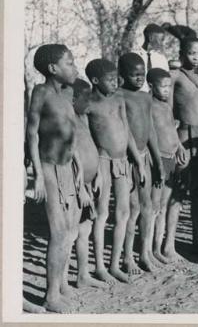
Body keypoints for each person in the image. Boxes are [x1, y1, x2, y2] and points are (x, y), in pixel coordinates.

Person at [27, 44, 84, 312]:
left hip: (68, 170)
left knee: (70, 232)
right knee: (59, 233)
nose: (74, 68)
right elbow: (32, 134)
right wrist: (38, 175)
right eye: (70, 63)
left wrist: (79, 172)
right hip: (49, 168)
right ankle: (50, 296)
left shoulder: (69, 93)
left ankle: (60, 284)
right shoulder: (41, 92)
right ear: (53, 69)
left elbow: (71, 136)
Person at [82, 58, 145, 283]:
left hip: (122, 162)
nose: (115, 83)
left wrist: (137, 161)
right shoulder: (88, 104)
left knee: (124, 213)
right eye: (110, 80)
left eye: (115, 78)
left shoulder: (118, 99)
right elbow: (86, 139)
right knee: (102, 215)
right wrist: (95, 169)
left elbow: (126, 132)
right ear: (96, 81)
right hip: (102, 163)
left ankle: (115, 264)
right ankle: (99, 267)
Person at [118, 53, 164, 273]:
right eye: (134, 74)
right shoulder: (119, 96)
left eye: (142, 74)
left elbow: (151, 131)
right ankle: (127, 256)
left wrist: (158, 161)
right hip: (126, 159)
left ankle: (144, 253)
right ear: (122, 75)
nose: (139, 78)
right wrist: (135, 157)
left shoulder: (146, 98)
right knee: (132, 208)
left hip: (145, 157)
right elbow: (122, 130)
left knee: (147, 207)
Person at [170, 37, 198, 254]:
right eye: (191, 53)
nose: (195, 57)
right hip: (182, 138)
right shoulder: (175, 77)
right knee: (176, 192)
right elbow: (164, 111)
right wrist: (174, 142)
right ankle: (168, 244)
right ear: (181, 54)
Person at [148, 68, 188, 262]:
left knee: (164, 206)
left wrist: (179, 147)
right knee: (154, 207)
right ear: (151, 86)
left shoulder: (165, 106)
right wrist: (156, 162)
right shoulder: (149, 106)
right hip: (159, 160)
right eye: (162, 86)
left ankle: (160, 247)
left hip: (172, 158)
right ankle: (150, 250)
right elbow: (149, 135)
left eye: (169, 86)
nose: (166, 90)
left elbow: (171, 130)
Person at [71, 79, 108, 289]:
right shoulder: (69, 120)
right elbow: (70, 156)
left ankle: (83, 275)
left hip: (90, 182)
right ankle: (63, 282)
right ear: (74, 99)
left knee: (85, 229)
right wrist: (80, 188)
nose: (90, 103)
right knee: (72, 233)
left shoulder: (83, 118)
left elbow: (92, 147)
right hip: (77, 186)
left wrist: (99, 174)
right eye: (87, 99)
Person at [138, 24, 169, 93]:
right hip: (139, 98)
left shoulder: (162, 59)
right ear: (151, 38)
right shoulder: (134, 56)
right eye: (161, 40)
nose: (162, 43)